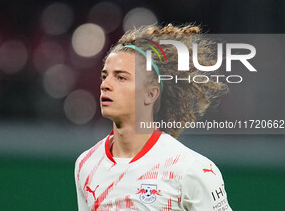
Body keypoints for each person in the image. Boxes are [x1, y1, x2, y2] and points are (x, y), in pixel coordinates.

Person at [74, 23, 233, 210]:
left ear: (151, 93)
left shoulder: (191, 169)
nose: (105, 85)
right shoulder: (86, 164)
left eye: (121, 77)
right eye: (104, 76)